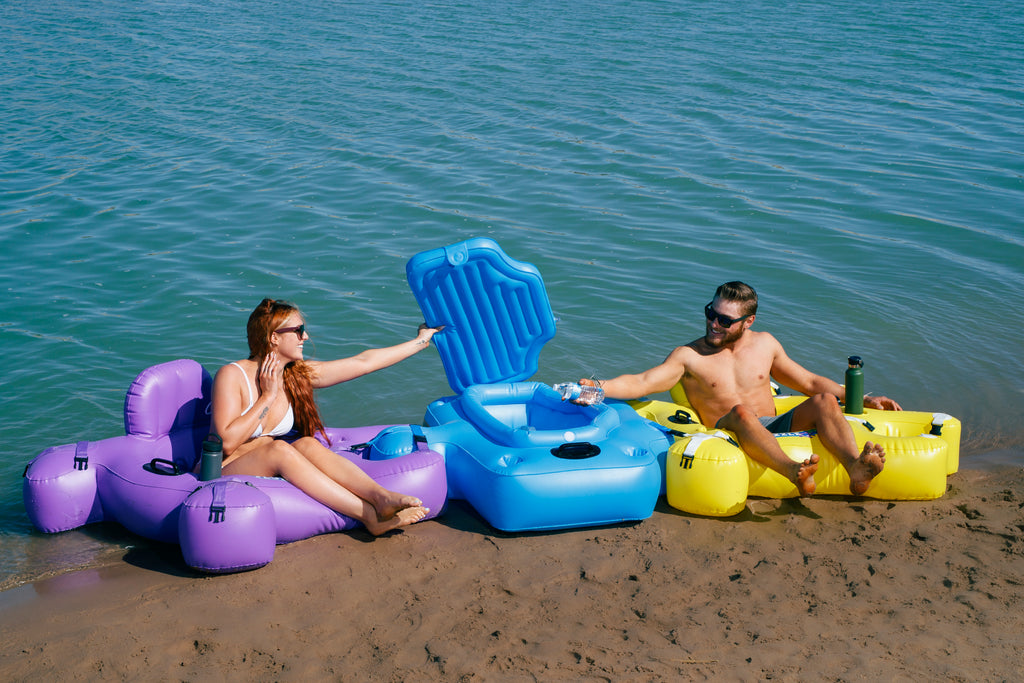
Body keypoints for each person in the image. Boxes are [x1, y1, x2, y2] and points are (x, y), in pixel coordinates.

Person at [582, 282, 901, 497]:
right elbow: (642, 382)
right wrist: (597, 387)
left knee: (824, 400)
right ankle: (794, 472)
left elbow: (809, 382)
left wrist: (863, 398)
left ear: (748, 322)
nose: (714, 324)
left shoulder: (766, 344)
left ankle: (855, 468)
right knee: (741, 413)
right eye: (711, 313)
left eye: (725, 319)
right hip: (728, 430)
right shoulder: (690, 356)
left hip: (775, 428)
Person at [210, 298, 443, 535]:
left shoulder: (294, 375)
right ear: (273, 337)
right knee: (279, 449)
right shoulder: (233, 375)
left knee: (307, 444)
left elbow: (363, 362)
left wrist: (421, 341)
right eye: (298, 330)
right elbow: (226, 443)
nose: (305, 337)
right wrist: (267, 397)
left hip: (265, 463)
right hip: (224, 469)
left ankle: (380, 497)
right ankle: (369, 515)